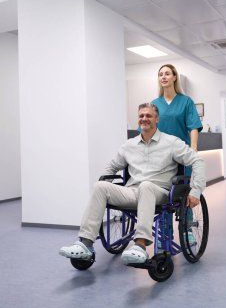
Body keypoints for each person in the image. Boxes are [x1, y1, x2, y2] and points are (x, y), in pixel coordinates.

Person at [59, 103, 205, 265]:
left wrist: (196, 190)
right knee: (99, 186)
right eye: (141, 116)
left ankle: (140, 246)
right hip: (132, 192)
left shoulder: (171, 142)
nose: (144, 119)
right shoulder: (129, 145)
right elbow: (111, 166)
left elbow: (197, 160)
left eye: (148, 116)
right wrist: (107, 182)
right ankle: (86, 244)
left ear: (157, 119)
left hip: (160, 193)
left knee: (146, 186)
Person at [151, 64, 203, 246]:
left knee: (185, 194)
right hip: (161, 157)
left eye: (167, 74)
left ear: (174, 77)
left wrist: (194, 147)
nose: (163, 77)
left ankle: (187, 230)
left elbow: (193, 125)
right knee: (164, 196)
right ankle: (164, 235)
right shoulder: (154, 104)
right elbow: (148, 128)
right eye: (160, 74)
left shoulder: (186, 101)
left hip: (182, 156)